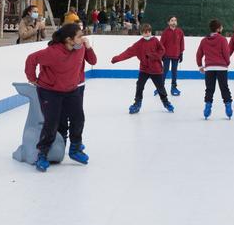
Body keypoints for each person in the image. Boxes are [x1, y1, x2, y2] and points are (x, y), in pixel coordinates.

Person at [24, 23, 96, 172]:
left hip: (71, 89)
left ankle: (75, 149)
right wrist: (32, 77)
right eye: (79, 36)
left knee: (78, 118)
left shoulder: (80, 48)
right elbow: (31, 59)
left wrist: (88, 46)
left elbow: (93, 61)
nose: (82, 38)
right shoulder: (52, 53)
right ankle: (42, 153)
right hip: (50, 90)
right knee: (52, 123)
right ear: (69, 39)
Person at [111, 23, 174, 114]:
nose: (147, 34)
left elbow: (162, 50)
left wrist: (153, 56)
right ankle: (137, 103)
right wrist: (117, 58)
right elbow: (128, 52)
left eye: (149, 32)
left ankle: (166, 102)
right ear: (142, 33)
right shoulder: (139, 44)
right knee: (139, 86)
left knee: (160, 87)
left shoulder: (155, 40)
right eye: (145, 32)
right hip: (144, 69)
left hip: (156, 70)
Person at [196, 19, 233, 120]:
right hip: (221, 68)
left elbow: (199, 54)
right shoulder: (222, 39)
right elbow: (226, 53)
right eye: (221, 26)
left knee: (209, 89)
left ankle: (207, 108)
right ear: (218, 28)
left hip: (210, 68)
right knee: (224, 88)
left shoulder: (204, 40)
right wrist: (227, 63)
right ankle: (228, 107)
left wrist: (200, 66)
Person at [160, 16, 185, 96]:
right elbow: (161, 44)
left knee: (174, 71)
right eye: (172, 20)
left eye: (175, 20)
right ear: (168, 22)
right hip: (166, 55)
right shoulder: (165, 32)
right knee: (165, 70)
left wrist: (181, 54)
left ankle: (173, 87)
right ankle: (160, 87)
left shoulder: (180, 32)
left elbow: (182, 43)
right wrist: (161, 54)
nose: (174, 22)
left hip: (176, 55)